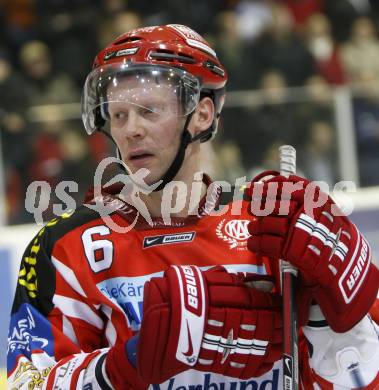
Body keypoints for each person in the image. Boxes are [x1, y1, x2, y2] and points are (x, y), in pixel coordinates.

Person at [7, 24, 379, 389]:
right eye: (119, 115)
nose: (131, 129)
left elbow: (355, 377)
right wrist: (128, 363)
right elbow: (27, 381)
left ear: (202, 114)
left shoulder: (272, 225)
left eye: (149, 111)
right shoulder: (67, 247)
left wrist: (340, 315)